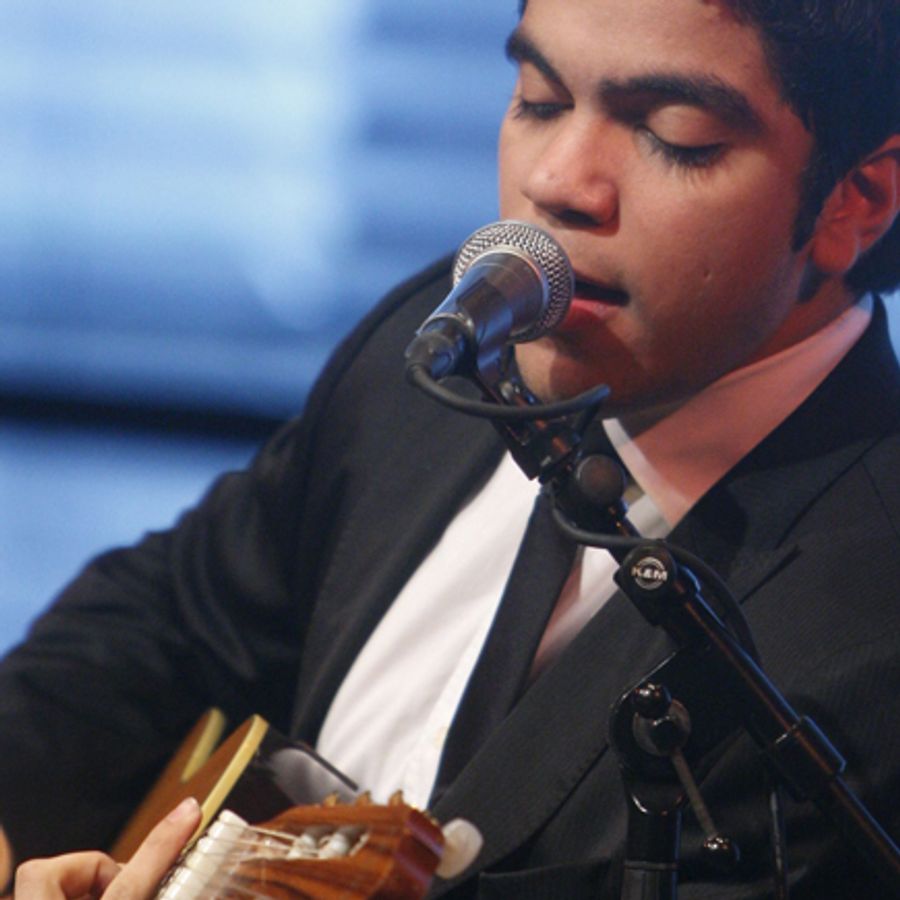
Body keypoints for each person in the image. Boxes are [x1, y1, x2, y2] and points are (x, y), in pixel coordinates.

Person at [2, 0, 899, 896]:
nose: (556, 181)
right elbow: (183, 616)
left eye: (674, 135)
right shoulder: (456, 338)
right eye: (539, 99)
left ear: (856, 201)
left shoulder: (871, 630)